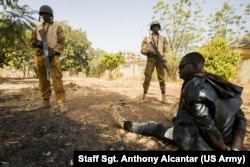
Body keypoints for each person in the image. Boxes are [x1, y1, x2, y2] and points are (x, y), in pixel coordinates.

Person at [107, 52, 247, 151]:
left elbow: (206, 124)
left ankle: (124, 124)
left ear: (194, 65)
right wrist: (235, 147)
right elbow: (239, 117)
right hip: (226, 140)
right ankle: (175, 115)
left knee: (153, 127)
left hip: (198, 144)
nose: (178, 70)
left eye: (181, 66)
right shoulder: (219, 83)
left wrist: (223, 148)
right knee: (180, 116)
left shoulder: (194, 84)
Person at [30, 5, 68, 112]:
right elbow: (31, 42)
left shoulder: (57, 28)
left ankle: (62, 103)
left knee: (56, 79)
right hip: (39, 56)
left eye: (47, 15)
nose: (45, 16)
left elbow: (61, 42)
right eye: (43, 14)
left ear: (51, 16)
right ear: (41, 15)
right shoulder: (37, 28)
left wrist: (54, 52)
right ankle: (46, 101)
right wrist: (36, 43)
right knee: (43, 80)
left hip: (53, 56)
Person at [140, 21, 169, 104]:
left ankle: (164, 97)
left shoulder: (163, 39)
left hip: (160, 60)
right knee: (147, 77)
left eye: (157, 26)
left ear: (159, 28)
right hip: (151, 60)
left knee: (162, 78)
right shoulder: (147, 38)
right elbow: (142, 50)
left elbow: (165, 51)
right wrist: (149, 51)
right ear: (151, 28)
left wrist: (164, 59)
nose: (155, 28)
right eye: (154, 26)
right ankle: (144, 95)